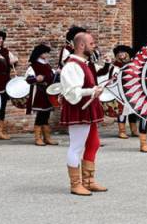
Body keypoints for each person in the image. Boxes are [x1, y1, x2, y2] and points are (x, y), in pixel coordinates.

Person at [57, 29, 107, 196]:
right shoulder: (72, 65)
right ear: (81, 45)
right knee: (76, 147)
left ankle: (88, 181)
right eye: (91, 43)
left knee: (94, 143)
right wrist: (92, 91)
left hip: (88, 108)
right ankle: (75, 184)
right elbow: (72, 92)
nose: (94, 46)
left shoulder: (84, 64)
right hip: (78, 109)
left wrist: (95, 89)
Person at [25, 43, 56, 147]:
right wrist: (36, 79)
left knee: (46, 115)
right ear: (39, 53)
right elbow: (28, 79)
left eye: (47, 52)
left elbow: (51, 76)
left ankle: (47, 137)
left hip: (47, 93)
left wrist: (56, 73)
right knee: (40, 115)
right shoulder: (33, 66)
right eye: (45, 52)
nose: (47, 54)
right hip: (39, 92)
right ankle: (38, 138)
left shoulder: (47, 65)